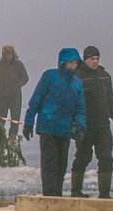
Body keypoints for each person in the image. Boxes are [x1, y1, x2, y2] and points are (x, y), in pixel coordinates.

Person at [22, 48, 86, 197]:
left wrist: (80, 128)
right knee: (49, 164)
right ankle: (49, 195)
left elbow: (80, 108)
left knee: (62, 165)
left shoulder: (77, 83)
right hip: (48, 127)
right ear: (63, 63)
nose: (72, 65)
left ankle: (57, 194)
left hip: (65, 130)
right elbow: (36, 100)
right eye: (70, 62)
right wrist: (28, 122)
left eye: (75, 63)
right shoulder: (50, 76)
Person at [70, 46, 113, 198]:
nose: (95, 62)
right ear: (85, 59)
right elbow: (72, 103)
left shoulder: (105, 76)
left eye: (97, 58)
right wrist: (74, 126)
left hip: (103, 125)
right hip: (85, 125)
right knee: (82, 157)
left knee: (106, 158)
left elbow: (111, 100)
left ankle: (104, 193)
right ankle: (76, 191)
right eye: (92, 59)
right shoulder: (77, 77)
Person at [0, 45, 28, 142]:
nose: (8, 55)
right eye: (6, 53)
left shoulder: (19, 65)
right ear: (3, 54)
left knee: (15, 118)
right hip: (2, 96)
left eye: (9, 53)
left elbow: (25, 78)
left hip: (15, 96)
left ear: (13, 53)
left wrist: (17, 85)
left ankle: (12, 137)